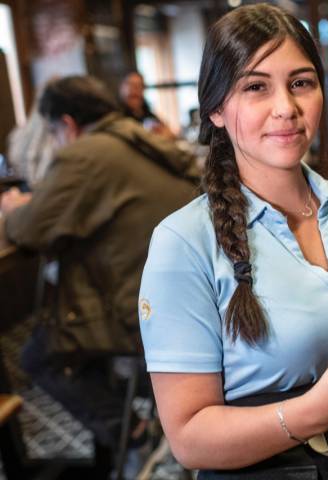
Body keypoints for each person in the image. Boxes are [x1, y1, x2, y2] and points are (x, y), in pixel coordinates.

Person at [138, 4, 328, 479]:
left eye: (301, 83)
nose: (285, 107)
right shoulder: (182, 243)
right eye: (255, 87)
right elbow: (189, 439)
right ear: (216, 109)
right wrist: (315, 410)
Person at [0, 75, 199, 470]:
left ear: (68, 125)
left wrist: (11, 208)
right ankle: (154, 418)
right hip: (181, 294)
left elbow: (31, 228)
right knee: (72, 344)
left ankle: (136, 432)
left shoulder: (85, 154)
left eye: (53, 132)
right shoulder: (139, 138)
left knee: (39, 357)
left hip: (138, 308)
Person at [118, 71, 175, 138]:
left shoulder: (146, 112)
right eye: (131, 85)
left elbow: (170, 134)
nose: (135, 89)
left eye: (139, 86)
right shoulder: (117, 115)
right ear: (122, 87)